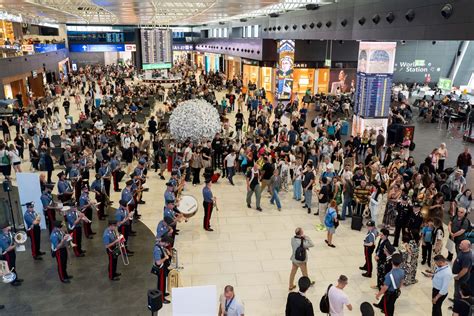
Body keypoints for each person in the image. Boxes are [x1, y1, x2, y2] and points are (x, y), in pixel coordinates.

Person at [153, 236, 173, 304]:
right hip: (160, 269)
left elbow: (159, 240)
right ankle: (161, 299)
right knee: (161, 283)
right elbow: (158, 262)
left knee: (163, 282)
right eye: (167, 244)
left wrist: (165, 249)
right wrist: (165, 258)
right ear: (164, 242)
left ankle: (163, 293)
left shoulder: (160, 244)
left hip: (163, 268)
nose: (167, 245)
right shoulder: (157, 250)